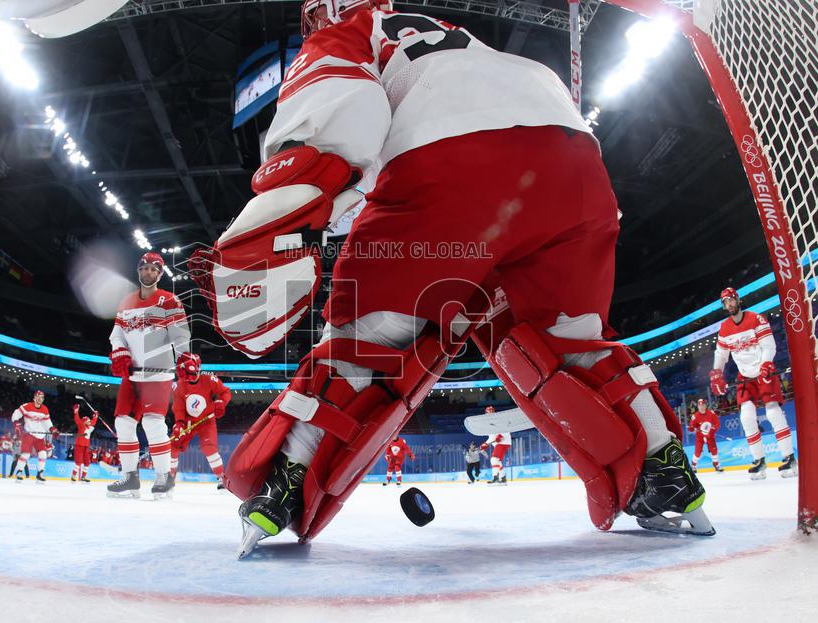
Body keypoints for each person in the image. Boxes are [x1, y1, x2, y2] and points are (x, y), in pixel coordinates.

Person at [191, 0, 712, 556]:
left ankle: (281, 491)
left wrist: (293, 202)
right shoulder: (459, 41)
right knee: (570, 344)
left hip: (454, 169)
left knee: (367, 348)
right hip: (575, 164)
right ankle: (666, 478)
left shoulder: (353, 28)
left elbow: (334, 99)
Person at [106, 252, 191, 500]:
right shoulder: (126, 302)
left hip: (159, 373)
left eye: (154, 269)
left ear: (160, 274)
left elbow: (180, 335)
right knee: (123, 423)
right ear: (139, 271)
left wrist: (184, 358)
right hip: (131, 375)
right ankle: (130, 478)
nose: (149, 273)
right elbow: (117, 334)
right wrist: (119, 351)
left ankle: (164, 478)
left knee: (153, 423)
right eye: (145, 268)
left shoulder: (169, 300)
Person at [710, 287, 797, 479]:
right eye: (725, 302)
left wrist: (766, 364)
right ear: (724, 306)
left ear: (738, 300)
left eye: (731, 300)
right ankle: (759, 461)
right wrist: (716, 373)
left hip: (764, 372)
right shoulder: (724, 328)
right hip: (745, 377)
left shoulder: (756, 319)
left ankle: (789, 458)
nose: (729, 304)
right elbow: (721, 355)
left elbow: (769, 345)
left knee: (773, 412)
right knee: (746, 417)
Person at [169, 353, 232, 490]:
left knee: (209, 448)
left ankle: (221, 477)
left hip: (207, 421)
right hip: (188, 422)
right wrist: (179, 423)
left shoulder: (210, 380)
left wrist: (221, 402)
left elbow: (225, 392)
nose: (180, 375)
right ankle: (170, 477)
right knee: (173, 445)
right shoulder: (178, 386)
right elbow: (179, 408)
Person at [10, 390, 53, 483]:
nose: (39, 399)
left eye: (41, 398)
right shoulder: (27, 406)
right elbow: (16, 414)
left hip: (40, 436)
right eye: (38, 397)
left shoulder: (45, 409)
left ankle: (40, 474)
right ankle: (19, 472)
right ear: (34, 398)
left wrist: (52, 429)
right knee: (26, 454)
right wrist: (16, 424)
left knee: (43, 454)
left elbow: (47, 422)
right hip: (28, 434)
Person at [688, 398, 723, 472]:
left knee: (714, 450)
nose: (701, 407)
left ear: (705, 405)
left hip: (710, 435)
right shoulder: (695, 416)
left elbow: (717, 423)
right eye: (699, 405)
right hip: (700, 436)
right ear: (698, 406)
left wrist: (712, 431)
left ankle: (716, 464)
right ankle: (693, 465)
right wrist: (691, 428)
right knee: (698, 452)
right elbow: (691, 426)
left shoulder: (711, 413)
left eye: (703, 405)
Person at [71, 404, 98, 483]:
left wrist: (96, 415)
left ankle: (83, 477)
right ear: (84, 422)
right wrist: (76, 412)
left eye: (89, 421)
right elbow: (77, 419)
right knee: (78, 462)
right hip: (79, 446)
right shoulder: (81, 425)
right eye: (88, 421)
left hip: (86, 446)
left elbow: (93, 421)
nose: (90, 422)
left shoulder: (90, 426)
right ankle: (73, 476)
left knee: (87, 462)